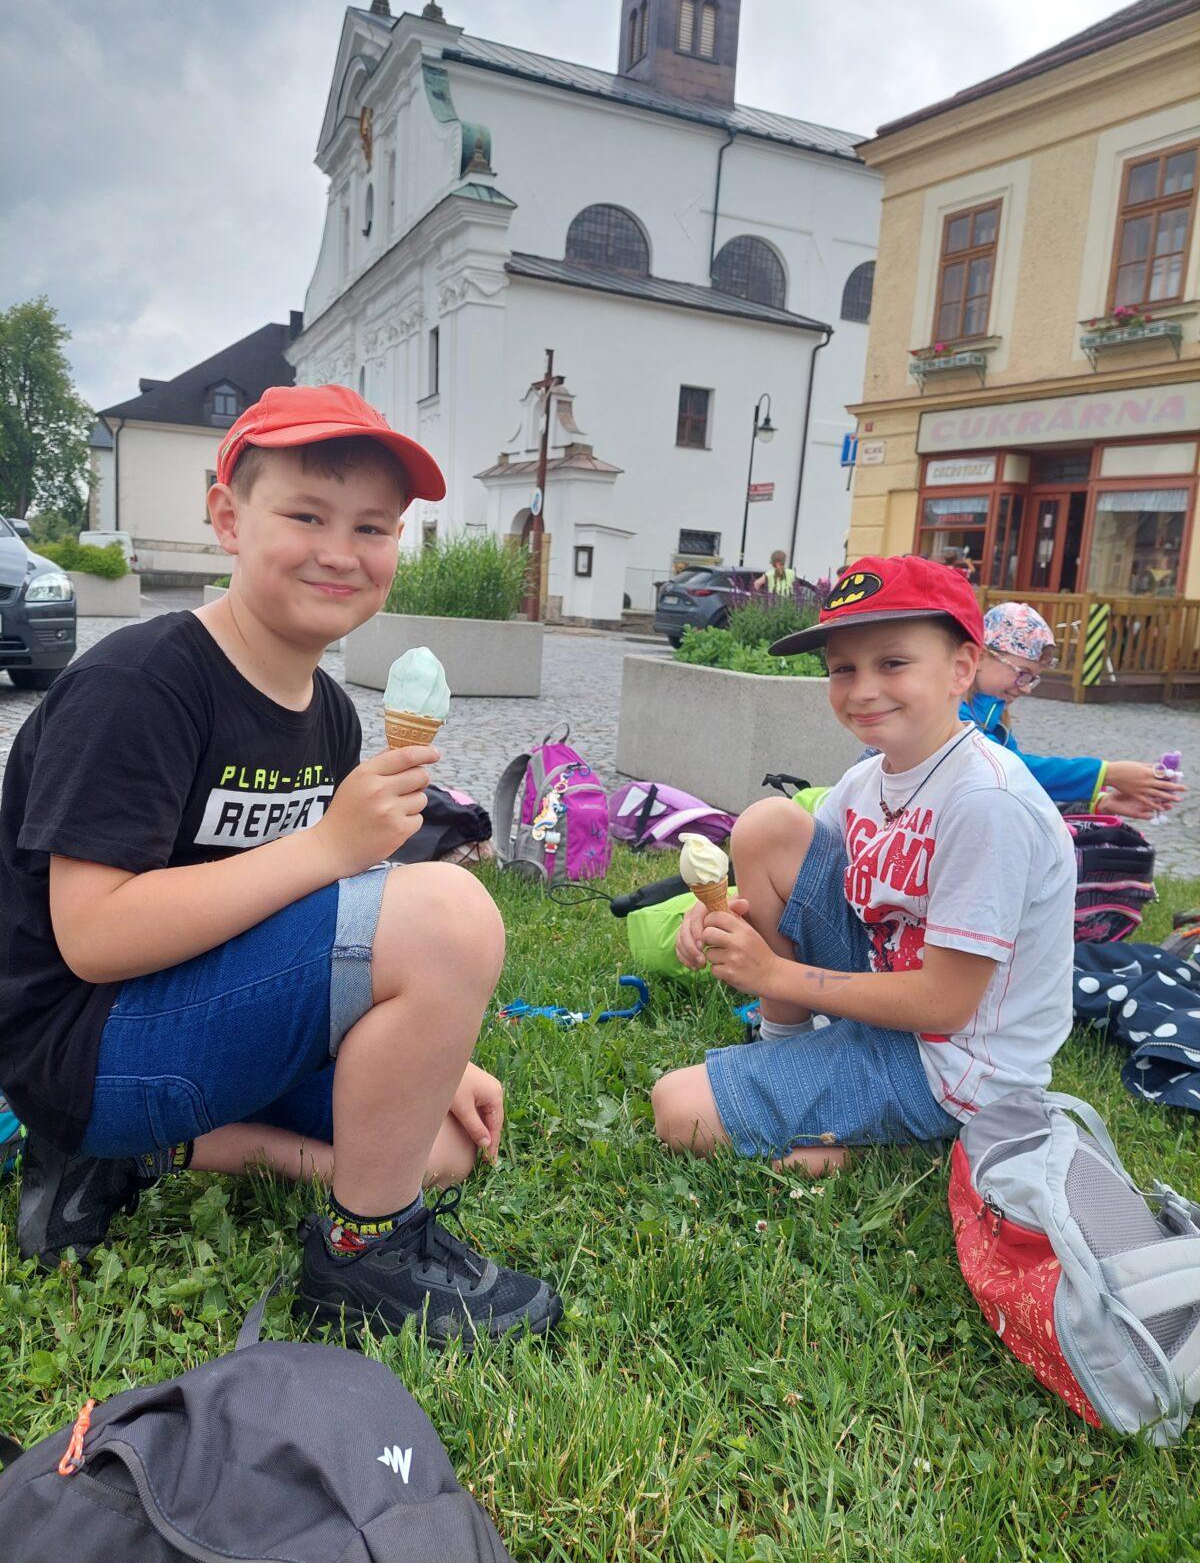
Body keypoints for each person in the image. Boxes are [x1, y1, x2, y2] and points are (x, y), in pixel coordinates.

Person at [0, 383, 561, 1346]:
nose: (341, 551)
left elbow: (333, 925)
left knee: (438, 1143)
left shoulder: (331, 715)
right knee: (453, 913)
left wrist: (443, 1049)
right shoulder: (141, 685)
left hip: (209, 1018)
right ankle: (365, 1254)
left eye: (373, 527)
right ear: (228, 516)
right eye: (306, 515)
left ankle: (165, 1155)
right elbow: (90, 938)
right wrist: (331, 846)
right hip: (88, 1045)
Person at [651, 555, 1077, 1175]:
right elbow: (788, 880)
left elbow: (944, 1003)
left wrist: (772, 975)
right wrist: (712, 911)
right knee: (769, 825)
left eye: (893, 662)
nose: (863, 689)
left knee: (678, 1109)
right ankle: (786, 1051)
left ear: (963, 668)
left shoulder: (987, 804)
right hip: (887, 992)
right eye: (842, 668)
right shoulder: (867, 780)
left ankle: (921, 1144)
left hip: (956, 1067)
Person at [964, 602, 1185, 820]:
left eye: (1033, 678)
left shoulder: (992, 715)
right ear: (980, 657)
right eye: (1022, 673)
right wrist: (1107, 773)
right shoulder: (955, 714)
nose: (1027, 688)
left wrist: (1102, 803)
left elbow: (1024, 782)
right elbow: (1008, 769)